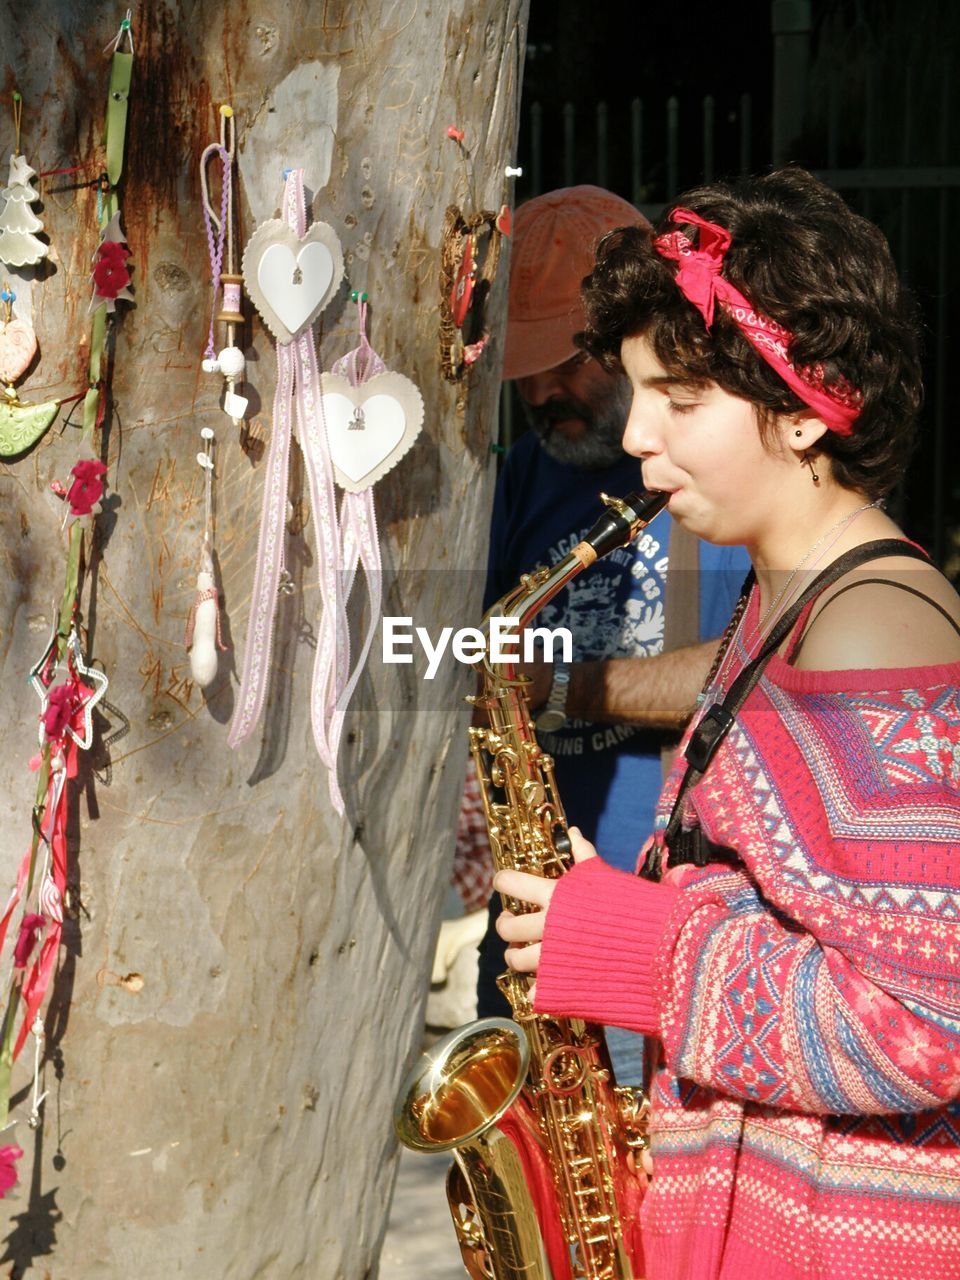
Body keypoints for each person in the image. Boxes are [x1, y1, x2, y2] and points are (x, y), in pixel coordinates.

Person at [494, 166, 960, 1279]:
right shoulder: (780, 593)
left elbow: (925, 1025)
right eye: (640, 392)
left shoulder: (876, 635)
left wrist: (627, 946)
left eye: (683, 401)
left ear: (807, 409)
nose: (640, 436)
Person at [467, 187, 748, 1037]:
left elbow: (740, 673)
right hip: (526, 930)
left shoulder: (716, 475)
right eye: (525, 368)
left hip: (662, 937)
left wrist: (566, 687)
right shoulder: (521, 472)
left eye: (570, 360)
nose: (544, 389)